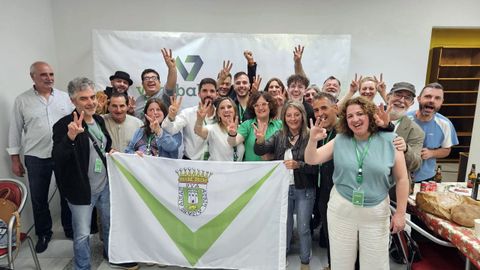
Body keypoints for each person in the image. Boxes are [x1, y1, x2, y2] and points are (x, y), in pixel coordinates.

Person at [305, 97, 409, 270]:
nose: (355, 119)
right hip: (341, 210)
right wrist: (312, 140)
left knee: (375, 264)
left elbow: (402, 179)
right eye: (350, 116)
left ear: (370, 115)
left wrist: (400, 213)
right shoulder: (340, 140)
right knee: (341, 263)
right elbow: (312, 159)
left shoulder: (391, 140)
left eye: (360, 114)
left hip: (376, 212)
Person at [52, 77, 138, 270]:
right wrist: (70, 137)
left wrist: (110, 152)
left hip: (105, 185)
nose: (90, 102)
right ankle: (82, 266)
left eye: (92, 97)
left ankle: (112, 254)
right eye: (84, 98)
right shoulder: (64, 125)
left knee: (109, 224)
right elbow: (57, 157)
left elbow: (102, 145)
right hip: (81, 191)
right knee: (82, 234)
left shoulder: (99, 119)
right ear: (73, 101)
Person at [7, 61, 73, 252]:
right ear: (33, 77)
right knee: (38, 198)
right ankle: (44, 233)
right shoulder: (22, 100)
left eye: (51, 74)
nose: (49, 78)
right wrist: (15, 159)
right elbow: (15, 130)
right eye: (44, 74)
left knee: (67, 195)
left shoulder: (64, 98)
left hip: (63, 155)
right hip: (36, 156)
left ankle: (69, 228)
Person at [254, 101, 318, 270]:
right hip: (283, 189)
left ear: (303, 116)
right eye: (289, 115)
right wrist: (260, 140)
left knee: (303, 227)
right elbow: (260, 151)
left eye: (296, 115)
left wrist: (299, 165)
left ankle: (305, 260)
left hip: (305, 189)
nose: (293, 118)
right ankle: (284, 254)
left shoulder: (310, 135)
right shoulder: (279, 135)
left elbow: (316, 166)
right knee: (285, 225)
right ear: (284, 117)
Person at [407, 82, 458, 182]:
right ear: (419, 99)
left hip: (426, 178)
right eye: (428, 96)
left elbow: (446, 150)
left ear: (441, 102)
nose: (432, 100)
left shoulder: (445, 124)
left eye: (437, 98)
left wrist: (432, 153)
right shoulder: (405, 119)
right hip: (400, 176)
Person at [162, 78, 218, 160]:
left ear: (217, 94)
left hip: (213, 164)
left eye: (212, 91)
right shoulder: (188, 113)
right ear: (199, 94)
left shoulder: (221, 115)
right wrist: (171, 117)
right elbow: (170, 130)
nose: (208, 94)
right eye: (204, 91)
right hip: (190, 164)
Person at [386, 82, 425, 191]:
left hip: (395, 188)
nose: (402, 100)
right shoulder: (370, 118)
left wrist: (406, 149)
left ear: (412, 103)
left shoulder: (416, 131)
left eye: (407, 98)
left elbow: (416, 164)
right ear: (388, 96)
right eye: (398, 95)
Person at [227, 91, 282, 161]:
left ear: (270, 106)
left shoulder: (280, 125)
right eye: (256, 105)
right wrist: (232, 134)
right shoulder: (247, 125)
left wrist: (272, 156)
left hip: (273, 170)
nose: (260, 108)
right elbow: (233, 143)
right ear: (253, 108)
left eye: (264, 104)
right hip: (250, 170)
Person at [194, 97, 245, 161]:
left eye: (229, 107)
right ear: (218, 113)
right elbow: (198, 131)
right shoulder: (213, 129)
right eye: (222, 108)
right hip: (216, 170)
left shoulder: (242, 129)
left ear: (234, 110)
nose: (226, 110)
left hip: (237, 170)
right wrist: (199, 120)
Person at [134, 48, 177, 120]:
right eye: (147, 78)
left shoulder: (164, 94)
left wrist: (171, 68)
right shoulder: (139, 100)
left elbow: (171, 85)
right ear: (142, 84)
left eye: (154, 78)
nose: (150, 80)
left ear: (159, 82)